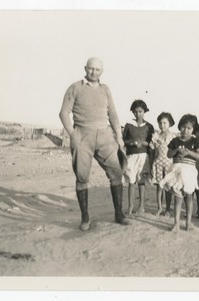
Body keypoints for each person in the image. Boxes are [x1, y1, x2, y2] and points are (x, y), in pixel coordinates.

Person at [59, 57, 130, 231]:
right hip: (82, 135)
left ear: (102, 72)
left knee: (116, 172)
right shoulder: (75, 87)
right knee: (82, 177)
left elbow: (112, 113)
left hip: (105, 135)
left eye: (97, 70)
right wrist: (72, 134)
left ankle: (119, 213)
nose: (94, 72)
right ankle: (85, 217)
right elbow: (63, 113)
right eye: (91, 69)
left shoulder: (105, 89)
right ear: (85, 68)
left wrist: (119, 137)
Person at [159, 114, 199, 232]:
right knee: (177, 198)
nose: (185, 130)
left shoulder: (195, 141)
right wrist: (177, 150)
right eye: (183, 127)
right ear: (179, 127)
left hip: (189, 171)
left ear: (193, 129)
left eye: (189, 128)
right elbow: (168, 154)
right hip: (177, 170)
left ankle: (188, 223)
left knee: (189, 197)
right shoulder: (175, 141)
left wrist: (188, 152)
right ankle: (176, 224)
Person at [123, 99, 155, 214]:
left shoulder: (149, 127)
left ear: (144, 111)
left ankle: (141, 206)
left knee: (141, 181)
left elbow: (152, 143)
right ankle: (131, 206)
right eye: (135, 112)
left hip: (143, 157)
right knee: (131, 181)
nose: (138, 114)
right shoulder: (128, 126)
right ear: (132, 112)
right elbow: (124, 140)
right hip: (131, 156)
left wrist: (145, 143)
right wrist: (131, 143)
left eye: (140, 111)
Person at [149, 112, 176, 217]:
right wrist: (151, 165)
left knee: (168, 187)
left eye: (165, 123)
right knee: (159, 187)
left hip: (169, 164)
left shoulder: (173, 137)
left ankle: (168, 208)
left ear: (170, 123)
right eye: (160, 123)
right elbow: (152, 152)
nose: (162, 125)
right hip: (158, 164)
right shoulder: (156, 136)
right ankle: (159, 207)